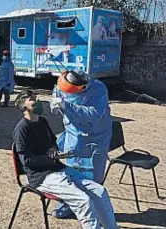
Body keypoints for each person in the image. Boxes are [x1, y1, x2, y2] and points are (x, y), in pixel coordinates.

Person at [13, 90, 118, 229]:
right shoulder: (21, 129)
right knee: (83, 200)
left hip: (59, 169)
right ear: (24, 107)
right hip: (41, 178)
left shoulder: (42, 121)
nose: (37, 102)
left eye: (36, 98)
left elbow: (52, 141)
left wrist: (54, 149)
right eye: (32, 100)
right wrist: (51, 159)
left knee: (100, 191)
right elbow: (26, 161)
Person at [50, 70, 113, 219]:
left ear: (82, 88)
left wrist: (66, 106)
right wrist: (54, 101)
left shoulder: (98, 90)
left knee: (92, 174)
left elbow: (93, 115)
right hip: (73, 134)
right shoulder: (63, 83)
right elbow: (57, 92)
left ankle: (93, 206)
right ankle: (70, 204)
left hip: (95, 137)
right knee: (71, 171)